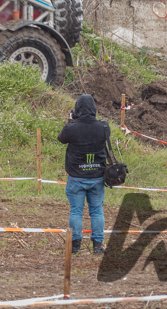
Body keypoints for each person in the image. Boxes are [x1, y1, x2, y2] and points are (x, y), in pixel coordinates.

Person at [57, 94, 110, 255]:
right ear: (94, 108)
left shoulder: (71, 127)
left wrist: (71, 121)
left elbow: (61, 139)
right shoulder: (103, 127)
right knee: (97, 211)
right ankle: (98, 245)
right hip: (97, 176)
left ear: (78, 108)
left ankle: (75, 245)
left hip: (76, 176)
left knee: (76, 211)